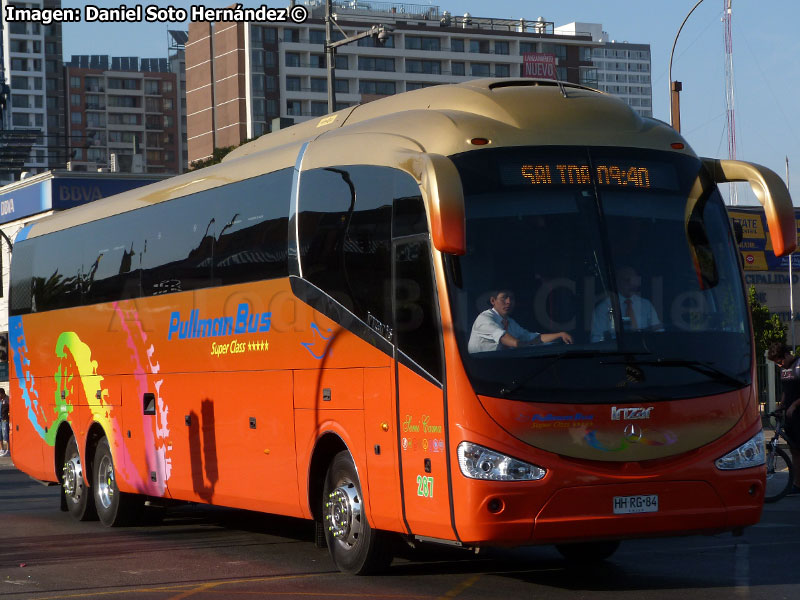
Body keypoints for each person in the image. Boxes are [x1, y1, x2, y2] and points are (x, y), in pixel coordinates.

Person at [468, 289, 573, 353]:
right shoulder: (484, 318)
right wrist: (527, 346)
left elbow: (531, 338)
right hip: (479, 371)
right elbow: (503, 337)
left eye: (511, 298)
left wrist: (560, 334)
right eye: (504, 298)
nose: (509, 302)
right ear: (493, 301)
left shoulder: (510, 322)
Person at [591, 265, 662, 342]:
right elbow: (596, 339)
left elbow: (658, 331)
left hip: (643, 352)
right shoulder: (603, 308)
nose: (632, 284)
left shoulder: (646, 305)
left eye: (634, 280)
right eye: (628, 280)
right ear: (618, 282)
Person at [767, 342, 800, 493]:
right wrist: (781, 405)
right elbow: (786, 391)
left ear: (786, 355)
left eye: (780, 362)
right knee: (794, 450)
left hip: (798, 413)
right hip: (791, 416)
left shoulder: (798, 365)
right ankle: (797, 484)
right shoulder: (785, 370)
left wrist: (794, 405)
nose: (779, 365)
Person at [0, 388, 8, 457]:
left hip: (5, 420)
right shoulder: (1, 400)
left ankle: (8, 450)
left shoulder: (7, 399)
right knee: (1, 435)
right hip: (1, 420)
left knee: (6, 435)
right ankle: (2, 449)